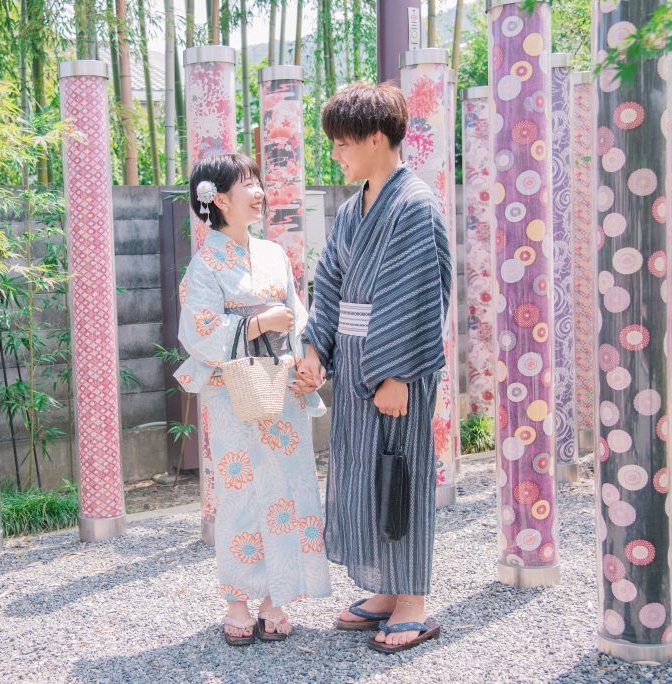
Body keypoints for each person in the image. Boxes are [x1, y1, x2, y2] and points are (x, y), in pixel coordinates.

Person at [295, 82, 452, 654]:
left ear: (378, 137)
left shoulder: (414, 204)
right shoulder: (350, 209)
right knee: (366, 474)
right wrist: (316, 349)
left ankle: (412, 601)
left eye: (343, 141)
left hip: (394, 370)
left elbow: (420, 294)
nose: (336, 152)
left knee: (400, 474)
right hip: (356, 363)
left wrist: (398, 374)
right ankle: (386, 590)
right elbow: (329, 285)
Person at [175, 153, 331, 646]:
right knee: (240, 491)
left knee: (287, 487)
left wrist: (308, 361)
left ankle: (276, 596)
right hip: (234, 391)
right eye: (248, 183)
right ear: (219, 199)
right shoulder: (205, 265)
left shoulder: (273, 254)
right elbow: (197, 332)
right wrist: (259, 322)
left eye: (257, 181)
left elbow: (298, 314)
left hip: (280, 385)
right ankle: (238, 600)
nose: (259, 191)